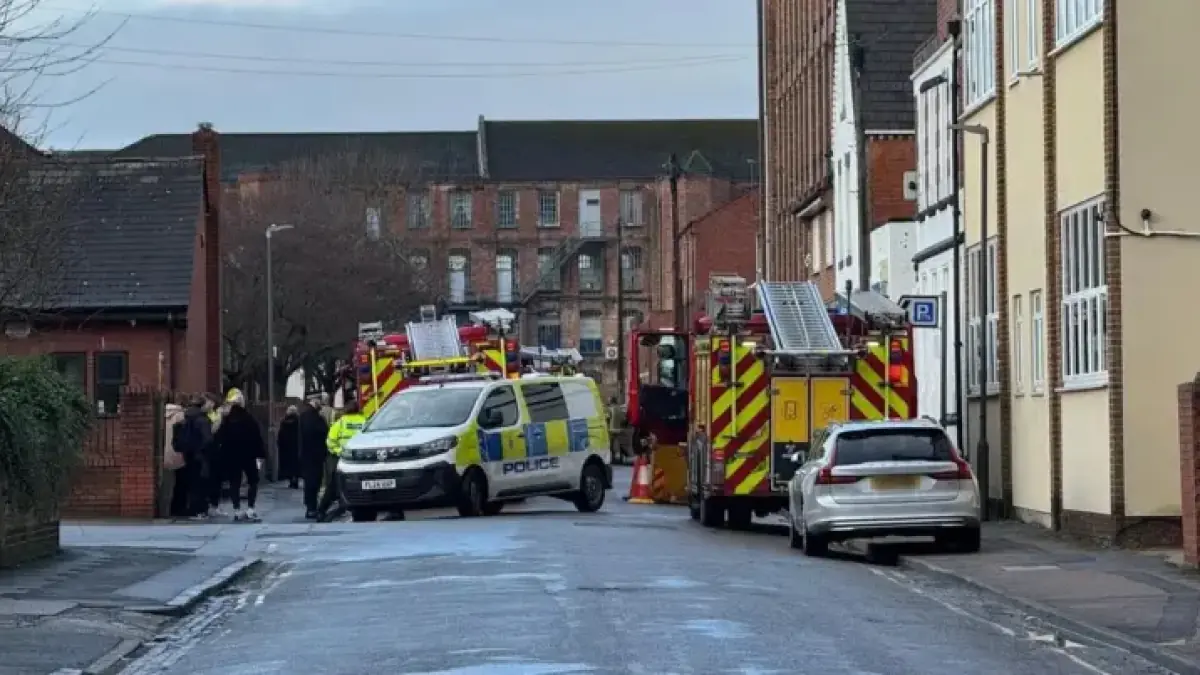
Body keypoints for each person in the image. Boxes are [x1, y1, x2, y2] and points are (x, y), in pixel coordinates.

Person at [214, 388, 266, 522]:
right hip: (249, 455)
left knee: (234, 482)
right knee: (253, 481)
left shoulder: (226, 421)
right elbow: (257, 438)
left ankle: (236, 510)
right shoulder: (250, 419)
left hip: (232, 457)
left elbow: (219, 438)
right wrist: (261, 455)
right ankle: (250, 508)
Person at [317, 398, 366, 522]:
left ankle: (322, 511)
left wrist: (339, 451)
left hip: (343, 459)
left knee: (334, 486)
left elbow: (330, 441)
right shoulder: (365, 421)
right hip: (361, 459)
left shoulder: (340, 423)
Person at [172, 394, 215, 520]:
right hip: (200, 456)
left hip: (185, 455)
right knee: (200, 484)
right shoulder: (203, 419)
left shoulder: (183, 418)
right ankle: (199, 510)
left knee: (188, 483)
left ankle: (188, 509)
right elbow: (208, 439)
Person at [297, 394, 331, 520]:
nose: (321, 405)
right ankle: (312, 508)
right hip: (315, 455)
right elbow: (323, 432)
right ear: (315, 402)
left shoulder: (304, 416)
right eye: (319, 403)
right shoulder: (315, 418)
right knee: (314, 481)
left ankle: (310, 507)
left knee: (310, 482)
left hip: (307, 455)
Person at [162, 395, 187, 518]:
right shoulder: (181, 415)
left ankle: (165, 509)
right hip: (178, 452)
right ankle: (178, 508)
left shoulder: (161, 414)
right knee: (180, 483)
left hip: (163, 452)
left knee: (165, 484)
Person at [277, 405, 300, 489]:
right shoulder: (298, 421)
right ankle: (295, 479)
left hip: (286, 446)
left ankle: (290, 480)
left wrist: (279, 443)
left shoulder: (284, 421)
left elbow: (280, 434)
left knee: (287, 464)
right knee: (295, 464)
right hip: (296, 446)